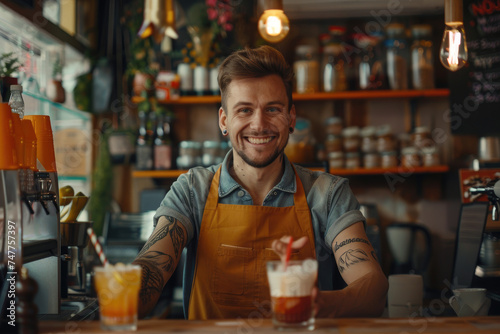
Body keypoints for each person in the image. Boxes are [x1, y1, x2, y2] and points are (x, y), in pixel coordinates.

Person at [133, 45, 388, 320]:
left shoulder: (327, 194)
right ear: (224, 120)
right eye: (244, 110)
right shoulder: (192, 190)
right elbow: (152, 265)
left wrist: (321, 305)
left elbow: (373, 287)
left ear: (291, 117)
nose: (259, 124)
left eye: (273, 109)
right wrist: (126, 292)